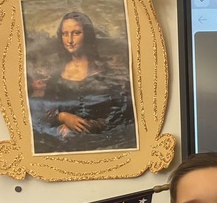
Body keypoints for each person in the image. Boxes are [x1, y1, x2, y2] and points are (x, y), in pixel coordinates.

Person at [31, 11, 137, 153]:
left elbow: (121, 112)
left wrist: (89, 126)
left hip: (105, 142)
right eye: (65, 34)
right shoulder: (56, 76)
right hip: (66, 143)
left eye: (76, 33)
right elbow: (45, 111)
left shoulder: (105, 73)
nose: (69, 40)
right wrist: (63, 117)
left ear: (87, 35)